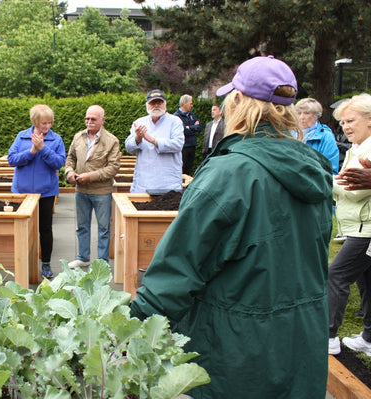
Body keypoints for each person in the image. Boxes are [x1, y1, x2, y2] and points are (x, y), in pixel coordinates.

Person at [130, 56, 333, 398]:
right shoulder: (314, 167)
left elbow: (178, 270)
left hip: (238, 351)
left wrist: (128, 324)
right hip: (302, 344)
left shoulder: (229, 174)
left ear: (238, 102)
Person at [328, 93, 371, 358]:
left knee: (336, 275)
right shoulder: (360, 147)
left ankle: (328, 336)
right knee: (369, 283)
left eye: (351, 121)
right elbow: (348, 184)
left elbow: (357, 190)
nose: (346, 127)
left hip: (367, 228)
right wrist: (338, 182)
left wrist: (327, 181)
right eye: (343, 123)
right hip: (362, 226)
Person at [8, 104, 66, 279]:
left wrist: (43, 149)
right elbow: (12, 159)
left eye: (49, 123)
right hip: (22, 192)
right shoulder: (22, 137)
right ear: (34, 122)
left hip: (46, 193)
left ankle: (46, 263)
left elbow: (59, 163)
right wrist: (31, 151)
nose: (47, 126)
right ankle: (21, 261)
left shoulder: (56, 140)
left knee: (45, 229)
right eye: (43, 123)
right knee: (21, 229)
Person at [64, 105, 120, 269]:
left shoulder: (112, 141)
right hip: (81, 191)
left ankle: (102, 263)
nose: (89, 122)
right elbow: (70, 159)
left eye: (93, 119)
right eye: (87, 118)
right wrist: (69, 173)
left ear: (102, 120)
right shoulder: (78, 137)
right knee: (82, 226)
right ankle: (83, 257)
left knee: (103, 229)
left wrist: (90, 177)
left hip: (102, 192)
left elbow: (113, 168)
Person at [125, 90, 184, 193]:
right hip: (143, 182)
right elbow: (129, 148)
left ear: (165, 105)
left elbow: (178, 144)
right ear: (147, 105)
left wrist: (153, 140)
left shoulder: (175, 121)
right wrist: (138, 138)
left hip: (168, 182)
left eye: (159, 103)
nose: (156, 106)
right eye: (152, 103)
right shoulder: (139, 122)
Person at [295, 98, 340, 174]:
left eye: (306, 113)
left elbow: (331, 170)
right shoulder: (288, 133)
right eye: (299, 113)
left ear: (317, 116)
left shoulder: (326, 137)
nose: (302, 117)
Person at [173, 94, 203, 175]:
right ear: (185, 103)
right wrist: (194, 127)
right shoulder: (176, 117)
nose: (192, 105)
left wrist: (189, 127)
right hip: (183, 147)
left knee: (189, 169)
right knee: (181, 170)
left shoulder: (192, 115)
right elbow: (182, 131)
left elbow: (200, 127)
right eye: (190, 103)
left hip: (192, 146)